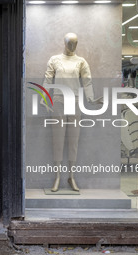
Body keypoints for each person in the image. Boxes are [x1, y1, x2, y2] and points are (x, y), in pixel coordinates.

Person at [42, 33, 97, 192]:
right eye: (70, 43)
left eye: (75, 43)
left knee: (74, 140)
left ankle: (71, 176)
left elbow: (87, 81)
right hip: (58, 101)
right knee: (57, 140)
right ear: (64, 43)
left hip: (75, 102)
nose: (73, 46)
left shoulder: (81, 62)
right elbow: (47, 79)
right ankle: (57, 176)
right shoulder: (55, 60)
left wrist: (91, 98)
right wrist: (44, 99)